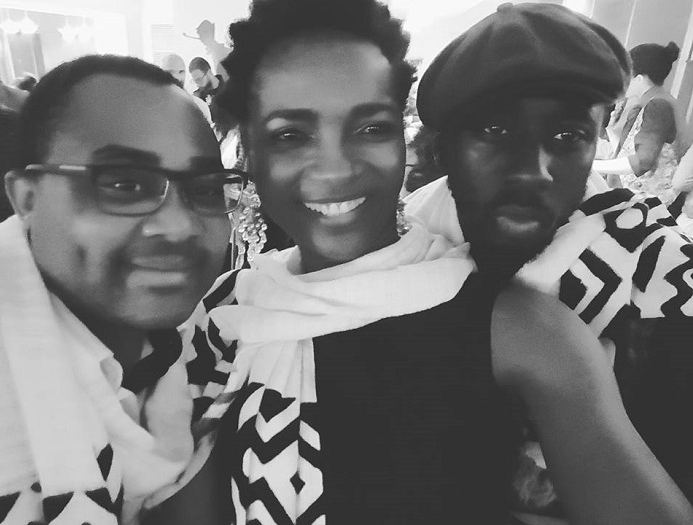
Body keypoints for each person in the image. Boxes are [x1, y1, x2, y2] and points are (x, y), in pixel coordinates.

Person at [150, 1, 692, 524]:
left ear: (405, 142)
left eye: (371, 128)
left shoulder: (521, 330)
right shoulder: (220, 315)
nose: (335, 169)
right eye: (291, 135)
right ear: (248, 150)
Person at [405, 3, 693, 523]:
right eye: (495, 130)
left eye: (568, 137)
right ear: (442, 150)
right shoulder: (403, 246)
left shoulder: (658, 274)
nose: (534, 170)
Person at [0, 54, 245, 524]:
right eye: (125, 184)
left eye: (206, 189)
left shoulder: (215, 353)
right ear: (26, 197)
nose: (180, 226)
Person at [594, 41, 683, 204]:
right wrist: (612, 132)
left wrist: (590, 166)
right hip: (643, 200)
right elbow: (631, 155)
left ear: (640, 79)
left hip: (651, 204)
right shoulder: (654, 102)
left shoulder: (658, 106)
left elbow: (642, 162)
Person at [160, 52, 213, 125]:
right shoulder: (151, 108)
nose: (176, 77)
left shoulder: (200, 106)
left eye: (181, 72)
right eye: (169, 72)